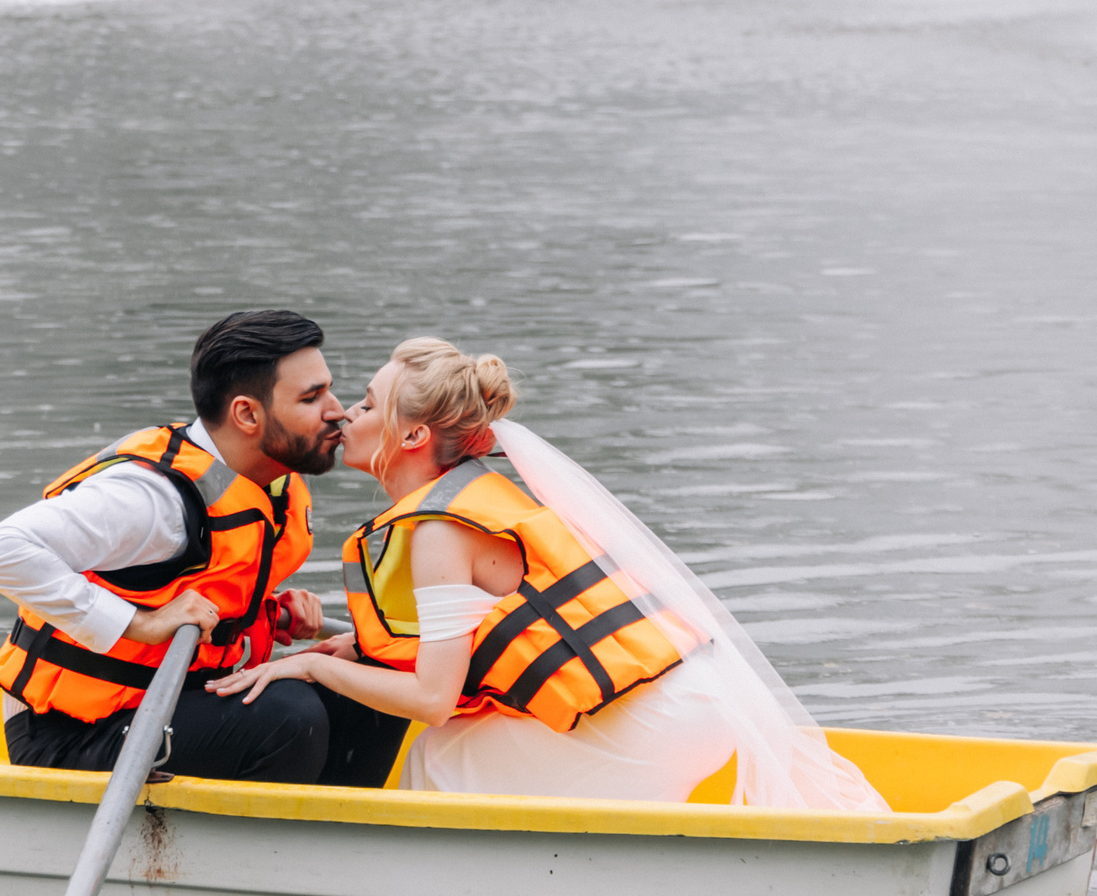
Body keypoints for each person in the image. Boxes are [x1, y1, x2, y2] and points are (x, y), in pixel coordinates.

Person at [207, 338, 887, 811]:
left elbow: (433, 699)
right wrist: (352, 647)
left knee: (431, 758)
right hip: (688, 703)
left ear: (411, 438)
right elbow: (477, 631)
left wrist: (311, 668)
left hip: (656, 717)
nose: (344, 415)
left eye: (365, 402)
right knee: (448, 750)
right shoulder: (467, 494)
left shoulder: (440, 528)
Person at [0, 309, 410, 786]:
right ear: (247, 413)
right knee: (289, 715)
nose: (337, 410)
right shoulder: (150, 498)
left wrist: (267, 611)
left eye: (328, 388)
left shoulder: (272, 481)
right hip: (71, 732)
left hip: (170, 703)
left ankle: (339, 841)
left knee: (374, 686)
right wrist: (142, 625)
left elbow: (203, 582)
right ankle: (277, 850)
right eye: (311, 397)